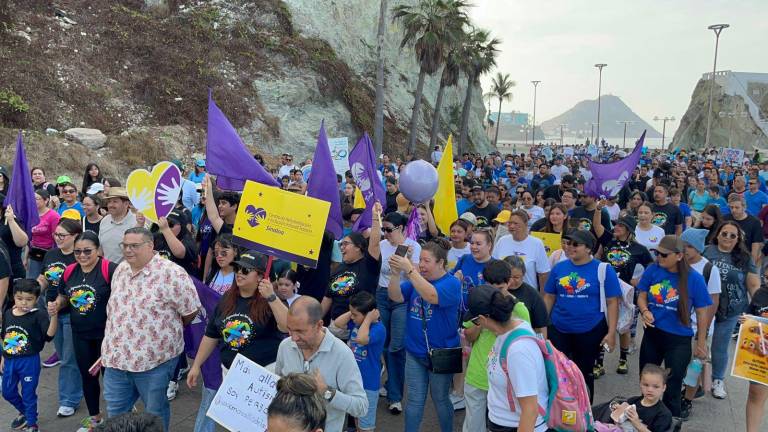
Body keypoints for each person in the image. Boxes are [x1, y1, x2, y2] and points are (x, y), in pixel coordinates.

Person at [101, 227, 201, 432]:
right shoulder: (121, 269)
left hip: (154, 362)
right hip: (116, 361)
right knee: (116, 416)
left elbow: (190, 311)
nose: (127, 250)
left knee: (154, 415)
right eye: (124, 245)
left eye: (134, 246)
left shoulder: (172, 273)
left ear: (150, 245)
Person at [388, 237, 461, 432]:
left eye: (426, 261)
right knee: (414, 400)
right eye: (420, 260)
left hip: (443, 352)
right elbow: (395, 296)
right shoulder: (417, 280)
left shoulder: (452, 283)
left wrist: (410, 271)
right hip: (414, 351)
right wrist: (395, 274)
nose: (421, 264)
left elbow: (432, 296)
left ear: (441, 263)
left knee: (440, 399)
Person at [636, 235, 711, 418]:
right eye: (657, 253)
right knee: (647, 383)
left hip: (678, 339)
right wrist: (645, 311)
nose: (659, 257)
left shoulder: (695, 279)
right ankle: (645, 422)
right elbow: (642, 295)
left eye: (664, 255)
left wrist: (701, 343)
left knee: (672, 387)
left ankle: (670, 423)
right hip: (653, 334)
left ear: (679, 256)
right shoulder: (653, 269)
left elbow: (702, 313)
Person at [187, 249, 288, 384]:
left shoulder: (270, 301)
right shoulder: (227, 298)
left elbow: (287, 326)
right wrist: (196, 365)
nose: (239, 273)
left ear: (260, 276)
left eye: (245, 270)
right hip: (229, 373)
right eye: (237, 268)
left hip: (262, 377)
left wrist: (271, 297)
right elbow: (211, 335)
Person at [543, 230, 620, 401]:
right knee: (558, 372)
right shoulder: (559, 268)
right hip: (559, 328)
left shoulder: (603, 269)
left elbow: (612, 302)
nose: (569, 247)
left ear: (588, 248)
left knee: (583, 373)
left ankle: (585, 410)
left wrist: (611, 333)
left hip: (590, 330)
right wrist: (542, 325)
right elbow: (549, 296)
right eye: (568, 243)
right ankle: (561, 409)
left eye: (575, 244)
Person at [52, 231, 117, 431]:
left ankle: (119, 416)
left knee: (113, 379)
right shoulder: (70, 271)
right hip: (80, 334)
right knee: (87, 376)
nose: (82, 255)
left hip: (107, 336)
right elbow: (64, 296)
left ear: (98, 250)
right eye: (77, 251)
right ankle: (95, 418)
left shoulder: (110, 269)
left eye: (87, 251)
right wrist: (57, 304)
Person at [275, 296, 368, 432]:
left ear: (319, 325)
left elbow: (361, 407)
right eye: (290, 329)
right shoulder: (285, 346)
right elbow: (276, 387)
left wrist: (327, 392)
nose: (293, 338)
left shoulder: (342, 354)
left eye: (300, 331)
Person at [465, 284, 550, 432]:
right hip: (504, 423)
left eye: (475, 321)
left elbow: (530, 410)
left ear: (482, 319)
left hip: (515, 426)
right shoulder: (508, 331)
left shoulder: (518, 350)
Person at [703, 221, 761, 400]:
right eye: (724, 233)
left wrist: (759, 309)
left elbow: (753, 285)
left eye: (732, 235)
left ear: (738, 239)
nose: (727, 237)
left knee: (719, 346)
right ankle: (692, 379)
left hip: (731, 309)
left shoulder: (744, 258)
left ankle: (717, 380)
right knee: (698, 342)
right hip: (703, 306)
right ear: (717, 234)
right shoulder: (706, 251)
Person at [36, 218, 83, 416]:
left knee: (69, 359)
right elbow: (44, 278)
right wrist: (33, 290)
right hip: (52, 313)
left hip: (72, 313)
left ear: (75, 236)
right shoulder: (51, 254)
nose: (57, 238)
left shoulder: (80, 257)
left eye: (62, 235)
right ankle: (78, 387)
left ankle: (69, 399)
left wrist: (60, 302)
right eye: (56, 234)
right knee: (64, 356)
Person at [375, 210, 419, 414]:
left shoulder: (413, 246)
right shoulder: (382, 245)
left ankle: (395, 396)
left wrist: (408, 262)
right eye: (383, 229)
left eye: (388, 229)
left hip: (402, 297)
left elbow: (415, 278)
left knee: (397, 346)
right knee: (384, 343)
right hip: (382, 295)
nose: (385, 233)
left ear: (400, 228)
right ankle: (391, 383)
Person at [1, 279, 57, 432]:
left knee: (28, 394)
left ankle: (32, 424)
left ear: (36, 299)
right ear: (13, 297)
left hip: (29, 361)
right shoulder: (8, 313)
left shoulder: (39, 315)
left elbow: (49, 336)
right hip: (10, 361)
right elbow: (4, 336)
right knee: (7, 392)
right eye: (19, 298)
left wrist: (54, 317)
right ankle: (26, 412)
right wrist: (3, 357)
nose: (24, 303)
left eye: (29, 299)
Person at [679, 228, 722, 419]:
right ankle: (678, 393)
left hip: (699, 328)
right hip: (678, 326)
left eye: (689, 246)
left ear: (698, 248)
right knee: (678, 365)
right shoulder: (677, 263)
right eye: (683, 245)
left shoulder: (709, 269)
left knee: (694, 367)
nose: (685, 249)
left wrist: (702, 335)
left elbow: (713, 302)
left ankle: (687, 400)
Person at [330, 292, 385, 432]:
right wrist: (353, 311)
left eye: (355, 315)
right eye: (351, 314)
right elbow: (337, 323)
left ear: (368, 315)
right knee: (356, 417)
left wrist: (368, 319)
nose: (352, 317)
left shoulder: (378, 329)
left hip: (368, 383)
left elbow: (361, 339)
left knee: (365, 426)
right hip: (354, 380)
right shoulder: (356, 322)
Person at [593, 364, 673, 432]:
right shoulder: (633, 401)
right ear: (640, 384)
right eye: (646, 385)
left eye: (655, 386)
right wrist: (618, 411)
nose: (650, 390)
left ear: (663, 388)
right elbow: (619, 422)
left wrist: (637, 423)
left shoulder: (664, 414)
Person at [493, 210, 551, 292]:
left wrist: (542, 296)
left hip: (528, 293)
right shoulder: (502, 241)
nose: (512, 226)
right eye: (510, 223)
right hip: (504, 293)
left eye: (516, 223)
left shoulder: (536, 243)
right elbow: (494, 266)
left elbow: (543, 274)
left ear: (526, 224)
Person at [491, 258, 549, 335]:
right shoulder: (494, 290)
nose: (511, 281)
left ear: (523, 275)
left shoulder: (533, 295)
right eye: (509, 277)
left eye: (516, 277)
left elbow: (541, 327)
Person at [744, 264, 768, 432]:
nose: (767, 281)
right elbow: (750, 316)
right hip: (761, 353)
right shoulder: (761, 294)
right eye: (766, 277)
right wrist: (744, 321)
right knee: (755, 394)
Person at [98, 187, 140, 263]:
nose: (110, 205)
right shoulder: (104, 221)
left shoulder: (137, 222)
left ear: (126, 204)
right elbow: (100, 249)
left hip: (128, 269)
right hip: (106, 268)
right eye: (109, 201)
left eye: (115, 201)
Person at [28, 190, 60, 278]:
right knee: (33, 280)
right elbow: (29, 237)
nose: (34, 201)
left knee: (50, 280)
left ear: (46, 200)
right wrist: (26, 257)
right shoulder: (31, 214)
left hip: (50, 253)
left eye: (37, 199)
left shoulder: (54, 216)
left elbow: (57, 236)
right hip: (34, 252)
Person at [724, 194, 764, 265]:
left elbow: (756, 246)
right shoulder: (725, 219)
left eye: (737, 207)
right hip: (726, 256)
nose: (733, 210)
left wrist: (752, 265)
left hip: (744, 258)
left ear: (744, 207)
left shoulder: (754, 222)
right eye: (731, 207)